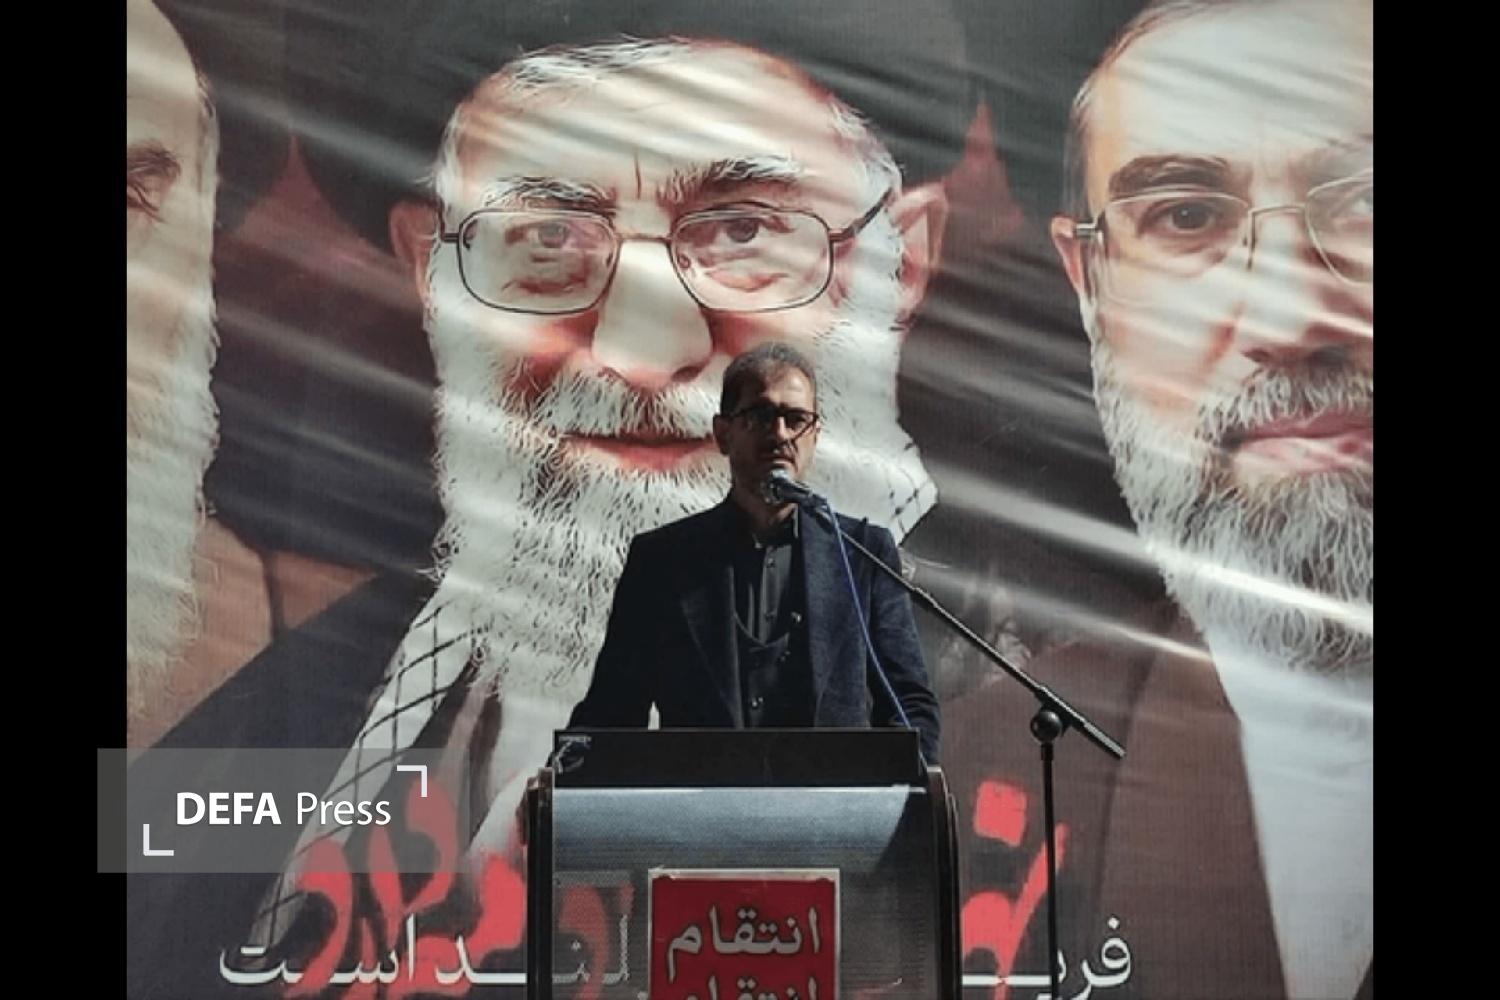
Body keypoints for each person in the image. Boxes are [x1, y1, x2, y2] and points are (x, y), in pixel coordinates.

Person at [948, 2, 1372, 997]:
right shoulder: (972, 795)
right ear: (1090, 280)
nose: (1290, 314)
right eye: (1186, 217)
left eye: (1363, 198)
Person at [568, 341, 941, 762]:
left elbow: (909, 706)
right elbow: (611, 713)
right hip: (705, 802)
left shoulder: (863, 554)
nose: (779, 433)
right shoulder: (662, 563)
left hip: (833, 802)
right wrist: (562, 780)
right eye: (761, 416)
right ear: (722, 434)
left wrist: (902, 790)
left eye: (795, 419)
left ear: (815, 436)